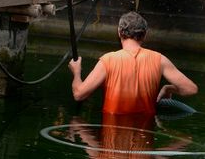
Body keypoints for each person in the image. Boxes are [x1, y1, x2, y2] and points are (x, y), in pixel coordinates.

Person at [68, 11, 197, 114]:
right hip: (144, 135)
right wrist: (168, 88)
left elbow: (79, 94)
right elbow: (190, 89)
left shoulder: (107, 60)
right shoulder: (160, 60)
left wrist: (77, 72)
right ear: (145, 35)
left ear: (119, 32)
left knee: (89, 144)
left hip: (111, 139)